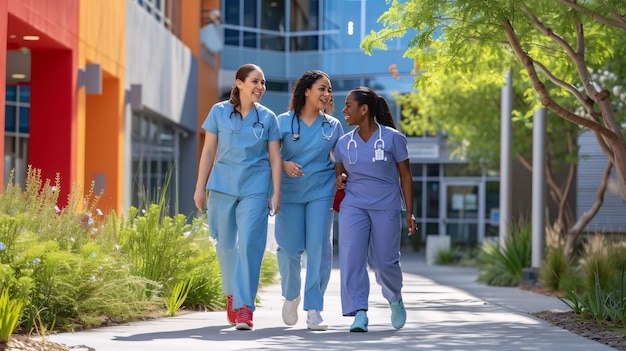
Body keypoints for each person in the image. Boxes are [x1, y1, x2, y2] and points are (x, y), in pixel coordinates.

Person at [193, 63, 282, 330]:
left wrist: (276, 192)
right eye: (255, 81)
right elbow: (208, 151)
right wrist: (200, 187)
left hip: (255, 187)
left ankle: (245, 307)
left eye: (263, 82)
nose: (260, 87)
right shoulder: (218, 112)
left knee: (250, 244)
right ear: (239, 83)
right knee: (225, 244)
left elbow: (275, 158)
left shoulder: (268, 118)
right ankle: (233, 292)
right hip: (221, 186)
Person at [333, 86, 417, 332]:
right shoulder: (343, 143)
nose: (344, 110)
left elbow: (406, 177)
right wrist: (340, 179)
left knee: (384, 261)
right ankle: (359, 312)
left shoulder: (393, 138)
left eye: (348, 105)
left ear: (364, 109)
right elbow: (341, 176)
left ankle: (395, 297)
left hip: (386, 204)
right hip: (353, 204)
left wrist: (409, 211)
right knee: (352, 258)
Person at [275, 70, 344, 330]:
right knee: (289, 250)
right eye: (321, 89)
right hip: (290, 194)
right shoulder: (282, 122)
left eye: (329, 90)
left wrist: (343, 175)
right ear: (306, 90)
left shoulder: (333, 126)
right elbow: (267, 156)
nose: (327, 95)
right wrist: (283, 164)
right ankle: (292, 294)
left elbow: (340, 159)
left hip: (321, 191)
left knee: (319, 248)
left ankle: (314, 308)